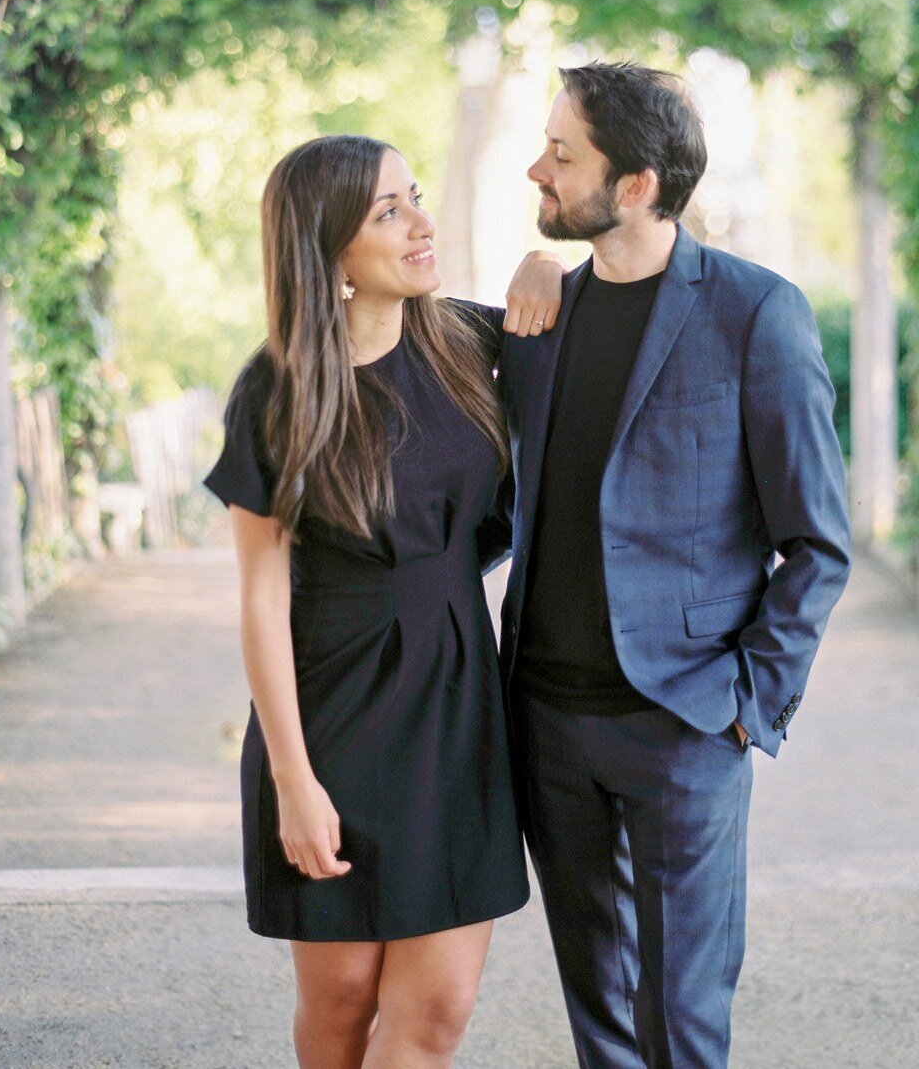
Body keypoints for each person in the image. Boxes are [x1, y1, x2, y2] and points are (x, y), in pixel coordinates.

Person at [495, 61, 852, 1069]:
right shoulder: (536, 321)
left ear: (639, 183)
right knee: (596, 1010)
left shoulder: (754, 315)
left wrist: (746, 699)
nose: (537, 168)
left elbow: (816, 541)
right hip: (546, 722)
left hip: (683, 721)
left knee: (681, 1014)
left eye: (562, 156)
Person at [202, 133, 562, 1069]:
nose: (420, 223)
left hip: (455, 704)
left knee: (437, 1010)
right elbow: (259, 596)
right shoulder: (278, 389)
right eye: (387, 212)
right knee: (341, 1002)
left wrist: (541, 259)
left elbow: (570, 306)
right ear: (329, 252)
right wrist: (293, 780)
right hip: (332, 713)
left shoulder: (463, 341)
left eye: (414, 197)